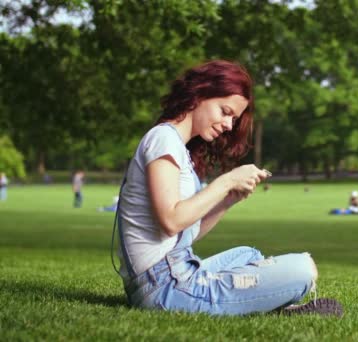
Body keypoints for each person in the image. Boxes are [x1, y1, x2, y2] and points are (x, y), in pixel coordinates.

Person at [112, 60, 342, 317]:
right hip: (165, 289)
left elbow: (186, 234)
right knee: (303, 269)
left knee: (247, 254)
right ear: (200, 94)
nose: (229, 125)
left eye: (233, 118)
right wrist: (227, 181)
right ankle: (267, 304)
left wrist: (228, 200)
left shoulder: (177, 146)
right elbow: (170, 220)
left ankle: (258, 302)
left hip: (174, 273)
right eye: (225, 111)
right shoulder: (162, 138)